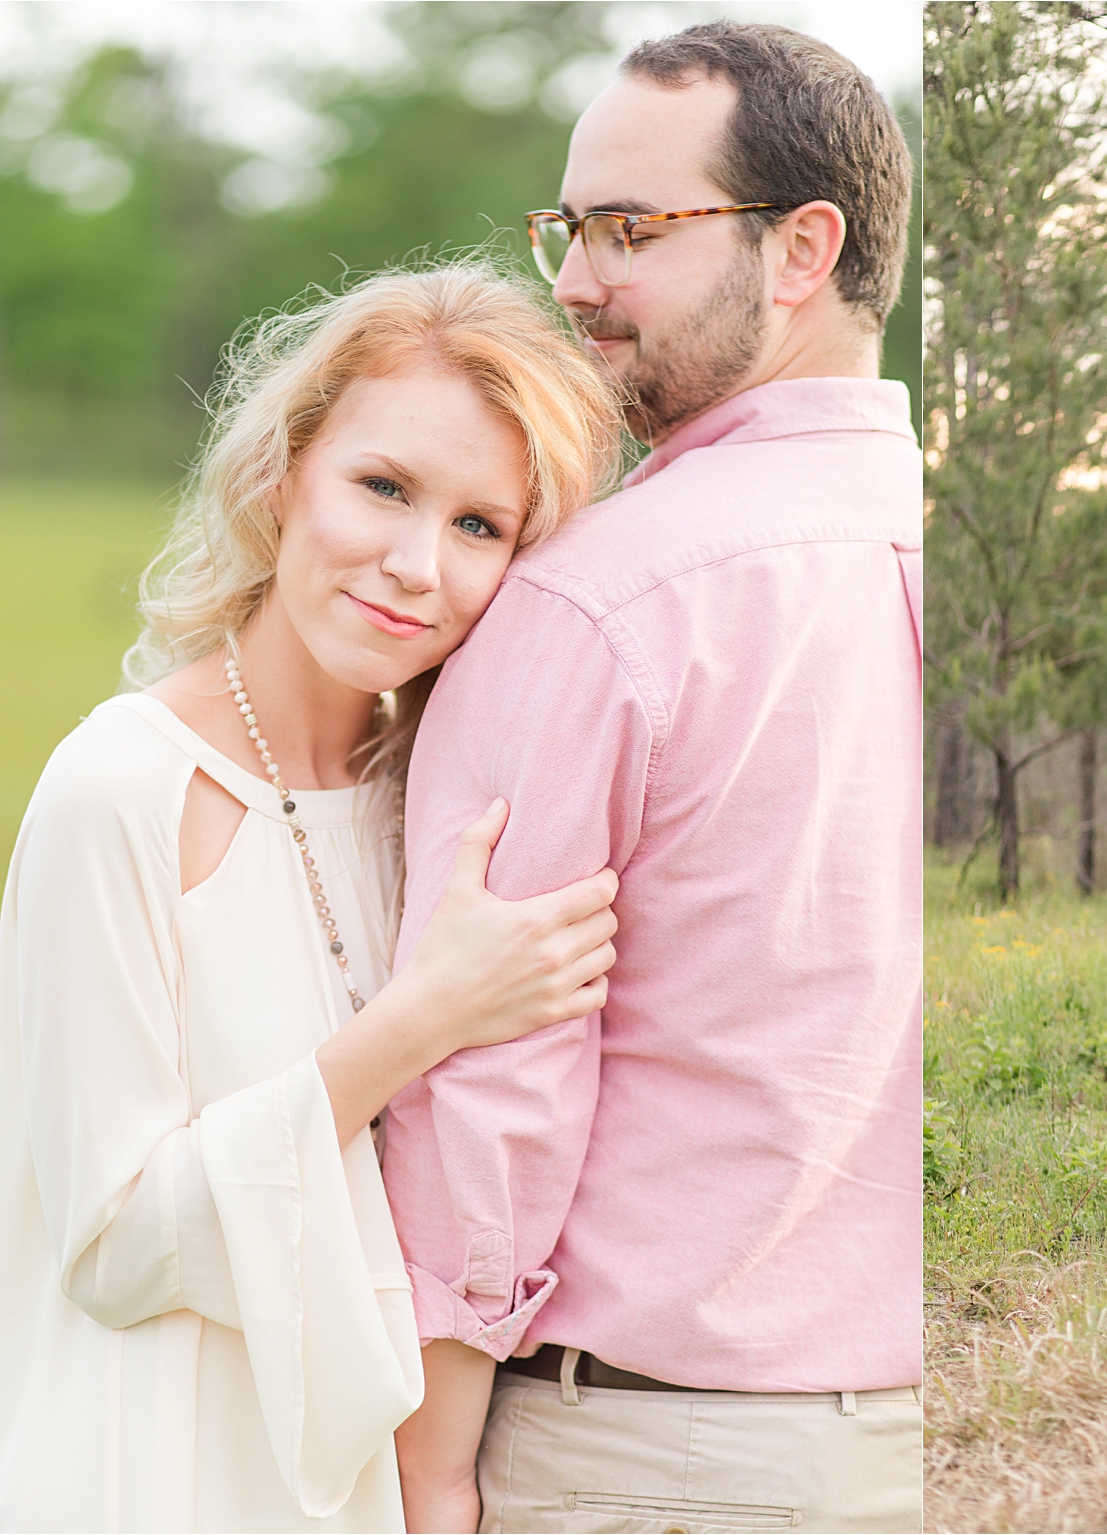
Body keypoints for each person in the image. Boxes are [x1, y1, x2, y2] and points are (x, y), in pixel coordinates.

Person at [0, 264, 627, 1532]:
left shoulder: (430, 807)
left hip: (365, 1485)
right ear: (283, 477)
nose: (413, 564)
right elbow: (115, 1239)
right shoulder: (121, 788)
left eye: (479, 525)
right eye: (382, 487)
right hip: (157, 1472)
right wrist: (415, 1022)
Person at [384, 21, 923, 1534]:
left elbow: (486, 1080)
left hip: (650, 1461)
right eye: (569, 227)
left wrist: (431, 1470)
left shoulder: (598, 599)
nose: (573, 280)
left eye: (633, 230)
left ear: (802, 247)